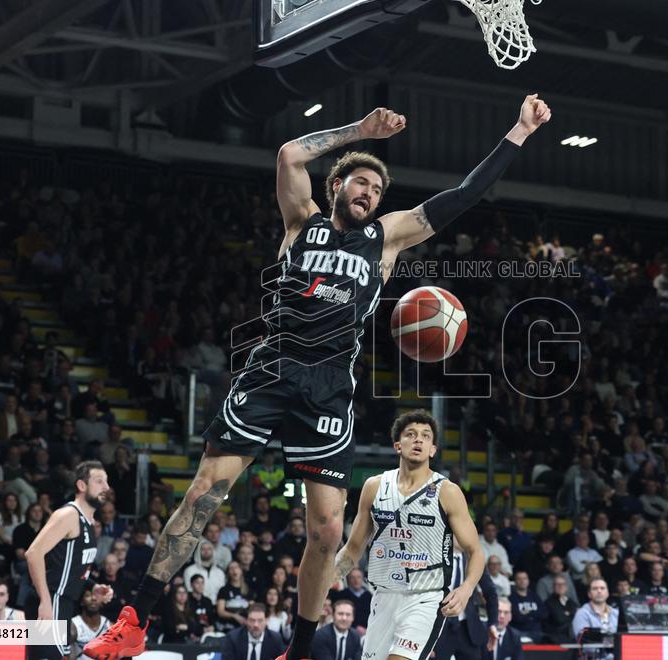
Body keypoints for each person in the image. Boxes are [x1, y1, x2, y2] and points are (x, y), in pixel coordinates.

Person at [85, 93, 551, 660]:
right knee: (204, 494)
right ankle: (134, 621)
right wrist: (360, 130)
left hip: (329, 388)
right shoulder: (300, 223)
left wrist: (519, 132)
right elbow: (287, 156)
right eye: (361, 184)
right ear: (338, 187)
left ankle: (299, 652)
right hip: (270, 373)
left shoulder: (386, 240)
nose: (370, 194)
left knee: (329, 532)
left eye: (378, 190)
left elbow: (462, 197)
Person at [334, 410, 497, 660]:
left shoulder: (447, 492)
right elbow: (353, 548)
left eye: (426, 436)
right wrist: (325, 579)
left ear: (433, 449)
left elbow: (475, 551)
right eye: (411, 434)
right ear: (398, 445)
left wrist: (465, 590)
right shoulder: (375, 487)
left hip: (426, 598)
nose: (418, 440)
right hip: (383, 597)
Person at [25, 461, 115, 660]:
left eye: (107, 482)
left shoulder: (88, 522)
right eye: (99, 481)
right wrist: (46, 601)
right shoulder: (68, 515)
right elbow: (33, 553)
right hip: (52, 600)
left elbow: (70, 566)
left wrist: (92, 586)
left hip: (64, 603)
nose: (106, 487)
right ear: (81, 486)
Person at [571, 579, 618, 659]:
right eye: (595, 588)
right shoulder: (582, 613)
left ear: (607, 593)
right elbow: (585, 642)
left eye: (602, 588)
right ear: (589, 594)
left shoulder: (616, 613)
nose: (599, 591)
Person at [72, 587, 111, 654]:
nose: (93, 598)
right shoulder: (73, 624)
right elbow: (50, 647)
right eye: (88, 595)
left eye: (97, 595)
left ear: (102, 602)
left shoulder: (110, 626)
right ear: (82, 602)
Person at [333, 568, 371, 634]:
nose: (356, 580)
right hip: (347, 630)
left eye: (358, 577)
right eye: (352, 577)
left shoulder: (369, 596)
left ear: (362, 579)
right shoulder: (341, 595)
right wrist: (355, 627)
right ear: (348, 580)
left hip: (368, 631)